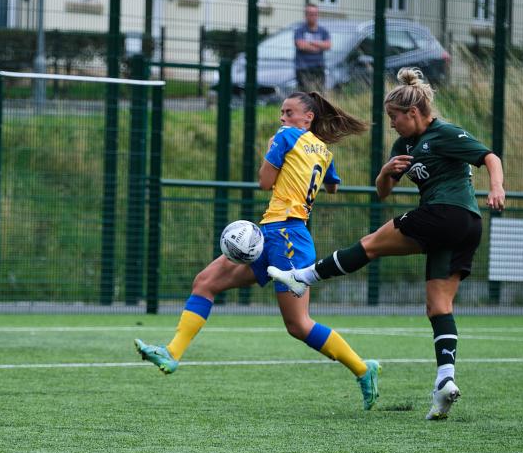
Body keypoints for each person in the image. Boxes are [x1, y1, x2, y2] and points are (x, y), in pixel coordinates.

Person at [269, 67, 506, 420]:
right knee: (438, 306)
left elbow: (489, 157)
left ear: (413, 112)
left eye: (395, 117)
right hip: (464, 228)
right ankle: (445, 383)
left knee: (370, 244)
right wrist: (385, 172)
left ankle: (303, 277)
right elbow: (383, 193)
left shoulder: (444, 133)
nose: (392, 124)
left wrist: (498, 186)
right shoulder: (403, 146)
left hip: (448, 214)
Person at [135, 91, 382, 411]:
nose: (283, 118)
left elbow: (265, 182)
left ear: (308, 118)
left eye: (289, 112)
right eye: (281, 113)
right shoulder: (323, 150)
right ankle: (172, 353)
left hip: (288, 237)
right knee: (206, 282)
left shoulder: (285, 137)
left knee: (298, 325)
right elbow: (333, 186)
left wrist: (271, 152)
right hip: (272, 233)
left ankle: (364, 369)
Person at [294, 3, 331, 92]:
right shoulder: (299, 30)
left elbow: (328, 45)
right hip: (302, 68)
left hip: (319, 67)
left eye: (315, 14)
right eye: (310, 14)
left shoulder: (323, 31)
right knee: (304, 96)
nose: (313, 16)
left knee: (319, 96)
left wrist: (310, 43)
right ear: (306, 15)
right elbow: (300, 45)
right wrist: (319, 45)